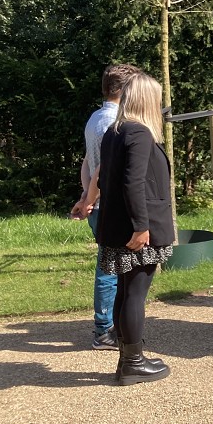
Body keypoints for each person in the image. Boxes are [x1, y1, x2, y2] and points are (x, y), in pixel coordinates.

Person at [96, 72, 174, 385]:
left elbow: (108, 180)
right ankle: (133, 362)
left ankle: (126, 359)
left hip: (117, 225)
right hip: (138, 228)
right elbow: (133, 183)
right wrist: (141, 227)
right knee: (135, 294)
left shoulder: (114, 131)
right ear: (146, 100)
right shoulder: (139, 132)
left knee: (126, 290)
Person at [69, 63, 141, 351]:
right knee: (109, 269)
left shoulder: (95, 118)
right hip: (107, 205)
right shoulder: (114, 121)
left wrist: (86, 196)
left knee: (112, 265)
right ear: (124, 90)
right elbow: (101, 169)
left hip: (98, 202)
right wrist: (89, 200)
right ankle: (104, 330)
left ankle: (114, 325)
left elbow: (87, 162)